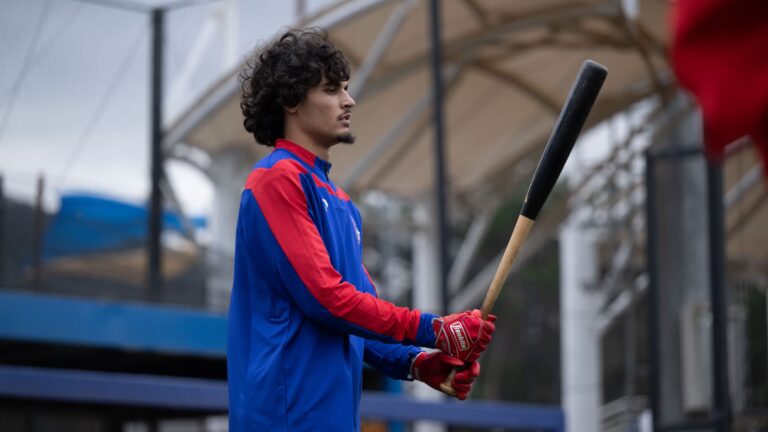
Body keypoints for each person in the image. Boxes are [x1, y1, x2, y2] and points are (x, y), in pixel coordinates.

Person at [228, 28, 496, 432]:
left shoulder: (342, 204)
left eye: (346, 90)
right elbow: (329, 299)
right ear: (291, 100)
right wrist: (434, 329)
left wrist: (418, 363)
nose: (348, 101)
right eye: (332, 89)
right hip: (284, 421)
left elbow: (358, 322)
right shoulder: (275, 179)